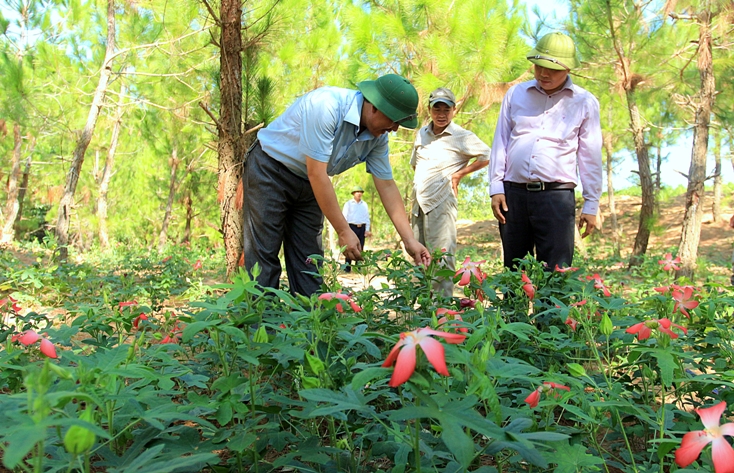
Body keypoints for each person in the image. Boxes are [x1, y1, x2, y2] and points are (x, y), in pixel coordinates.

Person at [241, 74, 432, 296]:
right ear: (375, 107)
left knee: (309, 262)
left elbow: (387, 186)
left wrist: (410, 241)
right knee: (263, 258)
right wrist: (344, 230)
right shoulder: (327, 105)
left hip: (311, 184)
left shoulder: (378, 138)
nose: (395, 129)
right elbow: (317, 172)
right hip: (271, 169)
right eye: (394, 121)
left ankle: (307, 327)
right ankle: (260, 327)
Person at [489, 32, 603, 270]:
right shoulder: (515, 94)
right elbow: (501, 141)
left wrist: (591, 204)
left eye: (552, 68)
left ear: (569, 68)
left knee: (555, 274)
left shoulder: (584, 102)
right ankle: (513, 310)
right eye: (539, 66)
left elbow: (590, 156)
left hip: (556, 198)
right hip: (513, 197)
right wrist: (496, 188)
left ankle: (549, 309)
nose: (543, 73)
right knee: (513, 271)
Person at [411, 87, 490, 297]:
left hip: (442, 202)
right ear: (429, 110)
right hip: (418, 203)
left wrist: (459, 174)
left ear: (454, 110)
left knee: (441, 257)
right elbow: (415, 164)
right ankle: (421, 311)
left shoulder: (462, 136)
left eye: (446, 109)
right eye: (437, 109)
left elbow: (487, 155)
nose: (441, 114)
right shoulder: (422, 134)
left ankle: (443, 311)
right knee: (418, 257)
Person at [341, 186, 371, 272]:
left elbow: (366, 217)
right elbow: (344, 216)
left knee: (360, 247)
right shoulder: (348, 204)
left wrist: (367, 229)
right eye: (357, 192)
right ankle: (347, 267)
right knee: (349, 246)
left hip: (362, 227)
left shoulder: (364, 204)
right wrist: (345, 230)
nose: (359, 194)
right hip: (351, 227)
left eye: (360, 192)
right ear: (353, 193)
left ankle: (358, 267)